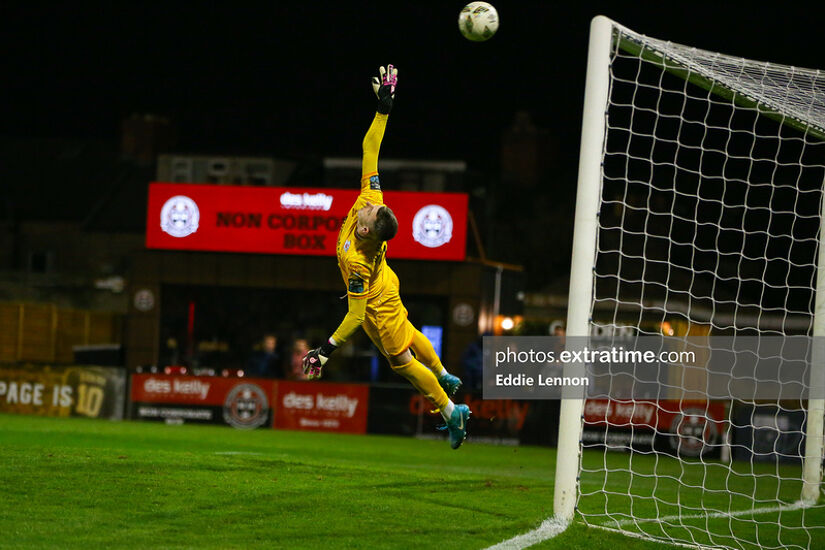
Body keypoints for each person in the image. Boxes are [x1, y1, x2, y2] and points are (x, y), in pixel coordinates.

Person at [302, 64, 471, 449]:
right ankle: (443, 372)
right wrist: (384, 109)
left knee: (402, 362)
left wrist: (324, 351)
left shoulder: (360, 261)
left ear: (364, 230)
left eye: (369, 212)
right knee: (410, 331)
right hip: (387, 282)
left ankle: (450, 410)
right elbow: (369, 149)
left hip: (376, 305)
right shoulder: (372, 200)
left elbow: (357, 315)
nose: (367, 204)